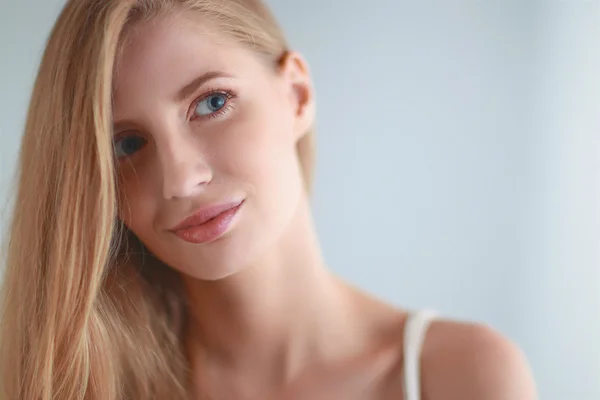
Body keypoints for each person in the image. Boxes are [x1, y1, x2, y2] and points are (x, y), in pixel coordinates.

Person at [0, 0, 537, 399]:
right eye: (127, 144)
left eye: (212, 102)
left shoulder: (463, 376)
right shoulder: (77, 385)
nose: (181, 180)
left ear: (296, 95)